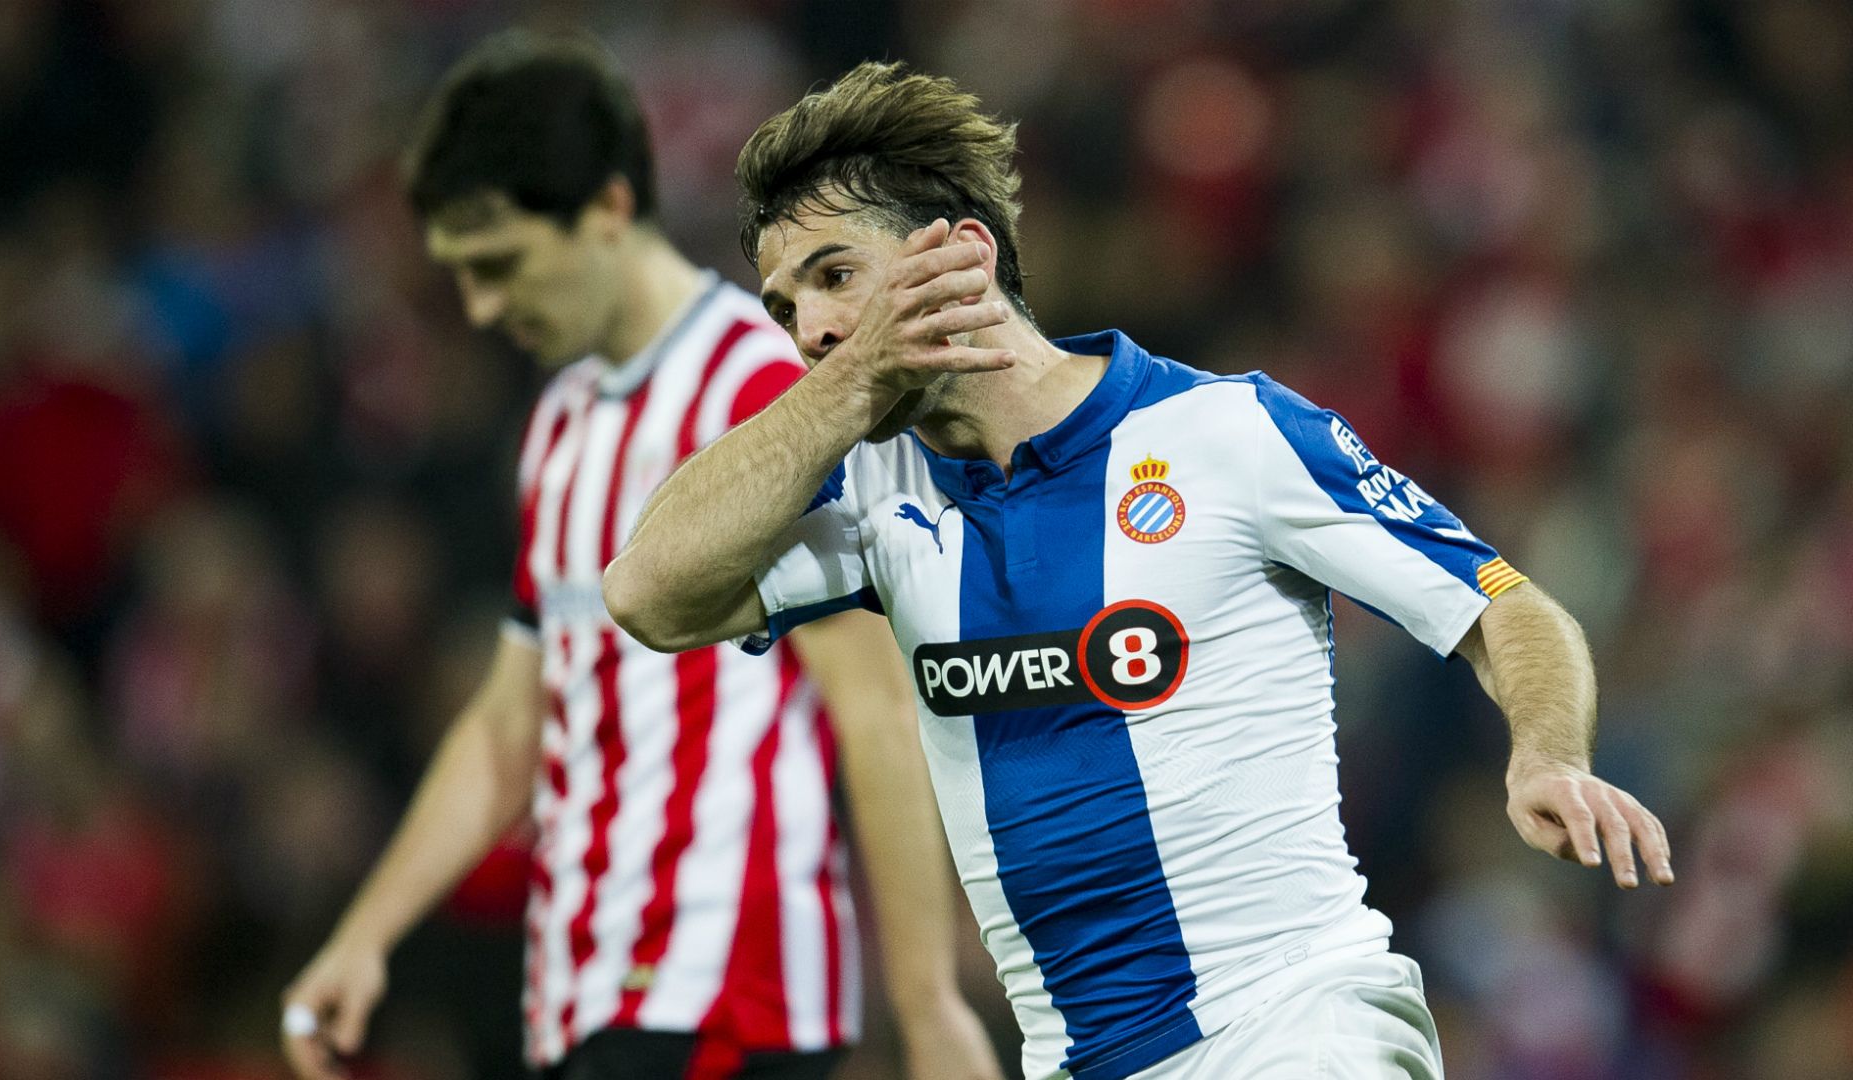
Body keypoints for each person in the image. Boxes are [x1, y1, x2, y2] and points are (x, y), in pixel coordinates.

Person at [602, 62, 1676, 1080]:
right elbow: (648, 592)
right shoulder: (877, 498)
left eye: (835, 277)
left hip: (1295, 1020)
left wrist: (1546, 753)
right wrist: (846, 391)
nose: (815, 328)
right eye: (787, 309)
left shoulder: (1231, 434)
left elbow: (1503, 602)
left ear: (963, 258)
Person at [280, 34, 1000, 1080]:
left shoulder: (763, 386)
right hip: (584, 993)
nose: (482, 307)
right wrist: (367, 933)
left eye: (502, 265)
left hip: (727, 987)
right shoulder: (560, 423)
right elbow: (509, 723)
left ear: (609, 210)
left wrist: (927, 1004)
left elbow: (873, 697)